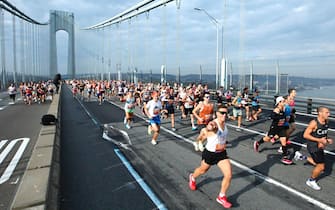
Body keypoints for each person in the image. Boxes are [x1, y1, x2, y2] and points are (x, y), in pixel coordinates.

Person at [189, 105, 232, 208]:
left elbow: (220, 137)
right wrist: (209, 127)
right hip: (210, 153)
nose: (224, 115)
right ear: (217, 113)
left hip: (221, 153)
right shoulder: (214, 123)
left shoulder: (224, 124)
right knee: (203, 170)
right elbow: (210, 127)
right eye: (222, 113)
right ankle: (192, 177)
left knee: (228, 174)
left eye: (226, 113)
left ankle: (221, 196)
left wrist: (224, 142)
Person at [253, 96, 293, 165]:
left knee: (284, 141)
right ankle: (258, 143)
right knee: (268, 139)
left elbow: (287, 116)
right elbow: (272, 116)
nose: (284, 102)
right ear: (279, 102)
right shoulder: (277, 109)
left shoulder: (284, 108)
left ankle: (285, 157)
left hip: (281, 127)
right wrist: (280, 117)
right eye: (283, 101)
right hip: (275, 128)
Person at [304, 106, 333, 190]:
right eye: (327, 112)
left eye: (329, 112)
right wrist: (319, 140)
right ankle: (311, 181)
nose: (329, 114)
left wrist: (327, 140)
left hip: (320, 146)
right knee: (321, 167)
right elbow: (305, 135)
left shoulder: (326, 121)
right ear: (320, 113)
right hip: (313, 147)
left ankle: (303, 157)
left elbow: (323, 134)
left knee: (318, 163)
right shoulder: (314, 123)